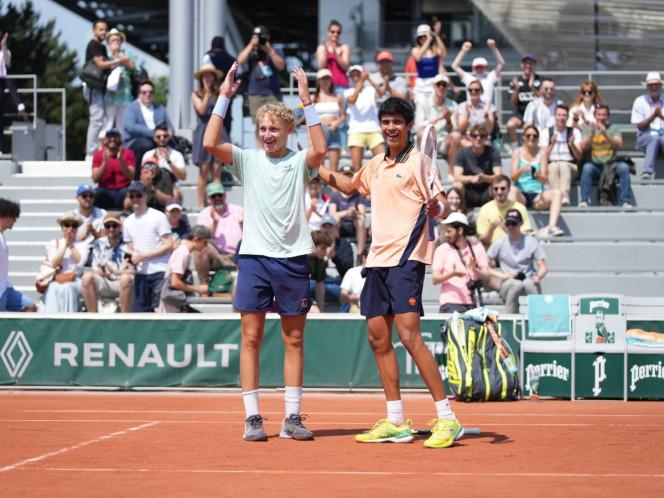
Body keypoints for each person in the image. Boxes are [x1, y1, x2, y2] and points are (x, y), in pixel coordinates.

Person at [319, 97, 464, 449]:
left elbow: (442, 205)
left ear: (408, 125)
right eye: (385, 122)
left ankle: (447, 418)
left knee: (410, 336)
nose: (390, 128)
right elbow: (350, 185)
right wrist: (313, 169)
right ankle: (396, 420)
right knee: (377, 338)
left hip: (407, 259)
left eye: (397, 121)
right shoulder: (375, 164)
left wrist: (437, 206)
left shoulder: (419, 161)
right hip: (377, 262)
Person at [203, 63, 326, 441]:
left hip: (292, 259)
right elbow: (209, 143)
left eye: (274, 128)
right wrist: (224, 95)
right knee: (251, 338)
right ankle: (252, 417)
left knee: (294, 339)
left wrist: (307, 101)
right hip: (254, 258)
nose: (267, 134)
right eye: (262, 129)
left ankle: (292, 418)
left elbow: (320, 147)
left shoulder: (299, 161)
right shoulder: (247, 159)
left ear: (290, 130)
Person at [122, 180, 174, 312]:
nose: (135, 199)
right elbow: (130, 248)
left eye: (138, 195)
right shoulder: (127, 222)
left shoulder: (158, 217)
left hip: (159, 271)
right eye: (132, 196)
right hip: (140, 274)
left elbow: (168, 244)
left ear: (146, 196)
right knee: (140, 315)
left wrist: (143, 255)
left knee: (158, 312)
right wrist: (129, 259)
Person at [487, 209, 547, 314]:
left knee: (529, 284)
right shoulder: (500, 242)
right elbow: (484, 265)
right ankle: (510, 317)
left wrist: (538, 277)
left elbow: (543, 267)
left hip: (527, 278)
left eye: (514, 223)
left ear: (521, 224)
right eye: (508, 224)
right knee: (516, 285)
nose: (510, 227)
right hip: (507, 282)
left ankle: (538, 316)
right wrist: (502, 275)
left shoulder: (531, 242)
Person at [509, 125, 564, 239]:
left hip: (537, 195)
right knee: (512, 190)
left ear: (538, 138)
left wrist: (535, 174)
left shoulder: (542, 153)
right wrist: (523, 170)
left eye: (534, 136)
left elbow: (544, 178)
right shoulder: (517, 152)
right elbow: (513, 177)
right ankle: (518, 226)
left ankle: (551, 227)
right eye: (528, 135)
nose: (531, 138)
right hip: (521, 195)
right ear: (523, 137)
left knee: (558, 193)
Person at [432, 212, 490, 313]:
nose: (446, 235)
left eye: (449, 231)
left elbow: (487, 276)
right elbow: (435, 279)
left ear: (460, 230)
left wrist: (474, 269)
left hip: (474, 302)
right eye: (445, 231)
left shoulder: (476, 246)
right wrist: (453, 274)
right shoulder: (442, 249)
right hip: (451, 303)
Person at [579, 104, 633, 209]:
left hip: (611, 165)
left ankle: (625, 201)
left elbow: (619, 145)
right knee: (586, 168)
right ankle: (584, 200)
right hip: (595, 165)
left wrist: (605, 134)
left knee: (624, 168)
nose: (601, 117)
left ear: (608, 116)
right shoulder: (588, 128)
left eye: (604, 115)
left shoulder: (613, 129)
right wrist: (592, 133)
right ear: (595, 116)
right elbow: (583, 147)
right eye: (599, 115)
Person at [80, 212, 133, 313]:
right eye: (108, 226)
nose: (111, 229)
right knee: (87, 277)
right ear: (104, 228)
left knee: (125, 279)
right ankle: (92, 316)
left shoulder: (128, 244)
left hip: (122, 283)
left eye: (114, 225)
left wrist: (114, 271)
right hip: (104, 282)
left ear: (120, 227)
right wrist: (101, 272)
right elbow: (94, 268)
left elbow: (133, 271)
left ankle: (125, 318)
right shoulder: (98, 243)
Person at [195, 182, 243, 286]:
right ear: (208, 198)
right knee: (201, 249)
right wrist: (215, 224)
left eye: (219, 195)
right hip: (217, 257)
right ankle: (204, 286)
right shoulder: (204, 214)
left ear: (225, 195)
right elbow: (201, 241)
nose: (217, 198)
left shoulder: (238, 210)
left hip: (238, 255)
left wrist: (243, 225)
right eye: (213, 196)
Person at [42, 211, 89, 313]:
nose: (70, 228)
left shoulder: (83, 245)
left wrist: (71, 245)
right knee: (53, 288)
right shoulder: (54, 243)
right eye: (67, 225)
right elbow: (53, 263)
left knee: (68, 288)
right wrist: (65, 246)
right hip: (58, 279)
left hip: (75, 280)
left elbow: (80, 262)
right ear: (62, 227)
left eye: (74, 225)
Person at [191, 64, 225, 207]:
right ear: (201, 78)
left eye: (210, 75)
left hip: (218, 130)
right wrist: (207, 94)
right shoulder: (195, 94)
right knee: (203, 170)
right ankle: (201, 204)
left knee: (216, 170)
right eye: (205, 76)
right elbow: (202, 110)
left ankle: (217, 202)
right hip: (203, 131)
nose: (208, 78)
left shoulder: (220, 94)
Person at [158, 225, 212, 313]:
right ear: (196, 239)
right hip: (172, 309)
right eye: (205, 242)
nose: (206, 246)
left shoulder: (183, 250)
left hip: (174, 306)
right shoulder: (183, 253)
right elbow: (175, 282)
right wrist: (198, 289)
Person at [237, 26, 286, 121]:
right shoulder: (251, 51)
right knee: (259, 125)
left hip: (273, 94)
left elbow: (281, 66)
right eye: (257, 37)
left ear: (268, 37)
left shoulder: (275, 51)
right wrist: (251, 45)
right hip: (255, 94)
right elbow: (240, 61)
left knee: (276, 122)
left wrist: (270, 50)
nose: (260, 40)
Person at [122, 79, 175, 165]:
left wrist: (169, 132)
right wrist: (153, 133)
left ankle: (169, 174)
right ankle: (137, 175)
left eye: (150, 92)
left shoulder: (160, 108)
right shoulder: (131, 108)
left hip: (159, 139)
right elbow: (130, 126)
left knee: (175, 146)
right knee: (147, 145)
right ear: (139, 94)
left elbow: (170, 126)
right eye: (144, 92)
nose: (148, 94)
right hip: (136, 140)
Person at [414, 73, 460, 169]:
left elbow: (453, 129)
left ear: (447, 88)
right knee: (423, 135)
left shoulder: (453, 105)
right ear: (433, 87)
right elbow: (418, 126)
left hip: (443, 141)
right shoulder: (423, 102)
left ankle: (452, 173)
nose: (441, 87)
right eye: (438, 84)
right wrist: (440, 117)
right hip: (427, 140)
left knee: (456, 136)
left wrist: (448, 120)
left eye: (444, 85)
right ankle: (429, 169)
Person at [345, 65, 385, 172]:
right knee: (357, 168)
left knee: (382, 163)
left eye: (357, 74)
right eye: (352, 75)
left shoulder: (370, 89)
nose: (355, 77)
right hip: (356, 130)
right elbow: (352, 99)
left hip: (373, 129)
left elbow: (381, 94)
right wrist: (362, 81)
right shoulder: (348, 92)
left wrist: (369, 79)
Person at [453, 124, 502, 209]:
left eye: (482, 136)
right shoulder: (462, 153)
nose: (478, 138)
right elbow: (457, 177)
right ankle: (459, 215)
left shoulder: (494, 153)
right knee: (457, 186)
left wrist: (485, 178)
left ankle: (497, 214)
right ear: (470, 137)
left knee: (499, 186)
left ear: (486, 138)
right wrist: (471, 179)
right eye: (475, 136)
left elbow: (499, 176)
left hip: (487, 190)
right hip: (468, 190)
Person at [83, 20, 113, 157]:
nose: (104, 32)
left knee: (102, 119)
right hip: (92, 87)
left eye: (105, 30)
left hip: (100, 88)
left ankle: (96, 150)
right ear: (94, 30)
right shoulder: (93, 45)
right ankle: (90, 153)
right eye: (100, 29)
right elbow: (101, 64)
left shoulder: (102, 47)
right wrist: (118, 61)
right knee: (96, 119)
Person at [0, 198, 36, 312]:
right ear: (4, 216)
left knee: (29, 307)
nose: (15, 220)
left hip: (5, 287)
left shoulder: (2, 237)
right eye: (14, 216)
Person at [476, 175, 532, 247]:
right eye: (496, 189)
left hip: (516, 253)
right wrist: (491, 229)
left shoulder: (520, 208)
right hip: (492, 254)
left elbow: (526, 237)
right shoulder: (484, 209)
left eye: (503, 188)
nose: (499, 192)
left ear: (508, 190)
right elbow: (483, 242)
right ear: (491, 191)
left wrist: (506, 228)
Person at [544, 105, 582, 206]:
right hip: (552, 164)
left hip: (570, 165)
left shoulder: (574, 132)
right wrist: (551, 144)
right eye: (559, 115)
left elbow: (579, 156)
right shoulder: (546, 132)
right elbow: (542, 157)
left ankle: (564, 197)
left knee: (563, 165)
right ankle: (556, 197)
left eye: (564, 115)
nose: (561, 118)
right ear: (554, 116)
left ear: (567, 117)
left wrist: (572, 144)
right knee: (554, 166)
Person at [328, 164, 367, 257]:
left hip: (353, 225)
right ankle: (334, 251)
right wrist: (347, 213)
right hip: (340, 226)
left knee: (361, 221)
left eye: (350, 177)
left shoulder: (359, 195)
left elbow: (363, 213)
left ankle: (359, 254)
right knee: (334, 220)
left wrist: (354, 213)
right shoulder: (335, 195)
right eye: (345, 177)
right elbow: (332, 214)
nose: (347, 179)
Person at [92, 128, 136, 210]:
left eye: (115, 136)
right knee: (96, 194)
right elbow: (95, 179)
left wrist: (121, 161)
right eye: (109, 137)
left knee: (130, 194)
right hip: (104, 190)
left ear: (120, 138)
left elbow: (131, 176)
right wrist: (104, 162)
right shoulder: (98, 155)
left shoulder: (128, 153)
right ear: (105, 140)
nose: (112, 139)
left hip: (123, 189)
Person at [451, 39, 505, 105]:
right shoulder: (469, 78)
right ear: (473, 68)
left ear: (486, 68)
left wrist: (493, 48)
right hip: (471, 110)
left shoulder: (490, 78)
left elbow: (501, 64)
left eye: (481, 67)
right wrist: (463, 51)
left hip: (487, 110)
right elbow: (454, 66)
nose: (479, 69)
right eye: (477, 67)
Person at [631, 72, 664, 181]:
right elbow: (640, 127)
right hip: (645, 136)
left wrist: (661, 116)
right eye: (651, 85)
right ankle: (647, 171)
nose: (654, 87)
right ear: (647, 87)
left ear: (661, 85)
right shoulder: (640, 101)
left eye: (656, 84)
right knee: (654, 138)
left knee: (659, 138)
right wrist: (653, 116)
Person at [103, 28, 135, 134]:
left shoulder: (126, 54)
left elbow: (134, 67)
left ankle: (123, 148)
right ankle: (103, 149)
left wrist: (122, 58)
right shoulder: (105, 55)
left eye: (118, 40)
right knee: (107, 123)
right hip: (110, 94)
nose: (116, 42)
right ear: (108, 42)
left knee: (123, 124)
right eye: (113, 40)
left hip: (124, 94)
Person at [506, 53, 542, 151]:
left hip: (536, 113)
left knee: (528, 126)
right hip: (521, 113)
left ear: (534, 65)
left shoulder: (540, 80)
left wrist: (532, 87)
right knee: (510, 125)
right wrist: (517, 89)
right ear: (522, 65)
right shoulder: (516, 81)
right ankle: (515, 148)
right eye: (526, 63)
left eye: (531, 63)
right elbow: (512, 103)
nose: (528, 66)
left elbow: (544, 99)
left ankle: (528, 147)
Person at [0, 32, 28, 153]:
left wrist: (3, 46)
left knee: (10, 80)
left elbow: (7, 63)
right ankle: (20, 106)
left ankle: (20, 106)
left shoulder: (5, 52)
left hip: (3, 81)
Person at [312, 68, 344, 171]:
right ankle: (320, 187)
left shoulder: (337, 97)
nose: (325, 81)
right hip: (319, 131)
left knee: (333, 168)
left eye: (327, 79)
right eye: (323, 79)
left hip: (334, 130)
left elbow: (343, 117)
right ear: (318, 81)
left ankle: (333, 187)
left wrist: (336, 123)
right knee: (319, 167)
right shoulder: (313, 98)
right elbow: (309, 118)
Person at [204, 36, 235, 137]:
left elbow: (205, 70)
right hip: (226, 93)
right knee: (226, 118)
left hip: (212, 92)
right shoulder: (231, 59)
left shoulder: (208, 57)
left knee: (212, 116)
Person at [410, 21, 446, 100]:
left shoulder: (435, 50)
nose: (423, 38)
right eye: (421, 36)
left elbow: (443, 54)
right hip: (421, 84)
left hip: (435, 83)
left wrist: (436, 36)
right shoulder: (415, 50)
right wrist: (428, 40)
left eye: (425, 36)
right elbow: (418, 57)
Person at [456, 80, 495, 146]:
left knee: (483, 146)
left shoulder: (488, 106)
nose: (473, 92)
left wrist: (486, 116)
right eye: (470, 90)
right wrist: (467, 114)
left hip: (483, 138)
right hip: (467, 138)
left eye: (476, 90)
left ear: (481, 91)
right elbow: (461, 128)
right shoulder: (462, 106)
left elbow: (489, 129)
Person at [523, 78, 560, 146]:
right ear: (541, 90)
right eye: (546, 89)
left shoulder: (560, 105)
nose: (549, 91)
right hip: (537, 140)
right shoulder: (533, 105)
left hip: (556, 140)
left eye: (551, 89)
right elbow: (527, 126)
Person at [315, 20, 350, 91]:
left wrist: (335, 53)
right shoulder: (321, 47)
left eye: (338, 32)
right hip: (325, 86)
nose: (335, 34)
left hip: (341, 85)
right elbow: (321, 67)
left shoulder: (345, 47)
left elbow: (345, 67)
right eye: (332, 32)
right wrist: (325, 52)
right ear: (328, 33)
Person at [320, 214, 354, 281]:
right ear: (320, 229)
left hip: (340, 281)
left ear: (336, 228)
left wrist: (334, 256)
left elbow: (348, 270)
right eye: (325, 227)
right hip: (319, 281)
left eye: (330, 227)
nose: (327, 230)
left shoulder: (344, 245)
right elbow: (313, 271)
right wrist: (325, 258)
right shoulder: (316, 245)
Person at [308, 229, 334, 312]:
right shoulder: (298, 259)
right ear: (313, 246)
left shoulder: (319, 260)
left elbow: (319, 284)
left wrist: (321, 308)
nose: (326, 252)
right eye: (323, 248)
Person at [339, 249, 367, 313]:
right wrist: (355, 297)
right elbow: (342, 297)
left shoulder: (381, 273)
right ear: (364, 258)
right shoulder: (352, 272)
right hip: (357, 311)